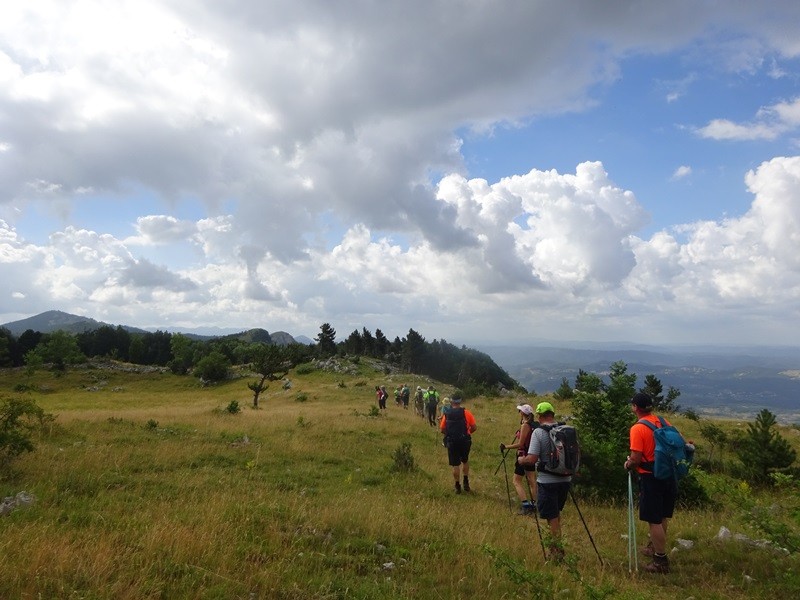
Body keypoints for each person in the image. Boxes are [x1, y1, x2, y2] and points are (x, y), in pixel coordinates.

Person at [624, 392, 675, 574]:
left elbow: (636, 458)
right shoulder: (662, 421)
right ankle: (653, 547)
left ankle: (660, 560)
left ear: (635, 407)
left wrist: (628, 464)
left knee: (653, 519)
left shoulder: (637, 428)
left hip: (650, 477)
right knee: (662, 516)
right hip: (669, 475)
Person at [519, 401, 571, 561]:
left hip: (547, 481)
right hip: (566, 479)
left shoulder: (539, 432)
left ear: (540, 416)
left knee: (551, 516)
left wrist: (522, 460)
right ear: (552, 414)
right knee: (555, 514)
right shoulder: (565, 429)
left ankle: (557, 552)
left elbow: (532, 458)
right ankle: (557, 546)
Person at [500, 404, 538, 515]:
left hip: (523, 456)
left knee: (516, 481)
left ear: (522, 413)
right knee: (532, 480)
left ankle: (526, 506)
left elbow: (520, 444)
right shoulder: (534, 425)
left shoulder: (525, 425)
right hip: (532, 454)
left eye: (520, 411)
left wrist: (506, 446)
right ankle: (534, 505)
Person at [439, 392, 477, 494]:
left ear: (451, 402)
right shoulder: (467, 413)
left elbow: (442, 429)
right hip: (465, 440)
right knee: (465, 460)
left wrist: (449, 434)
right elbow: (474, 427)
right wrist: (467, 433)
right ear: (460, 402)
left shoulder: (447, 414)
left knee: (455, 464)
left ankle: (457, 486)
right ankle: (466, 481)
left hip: (452, 442)